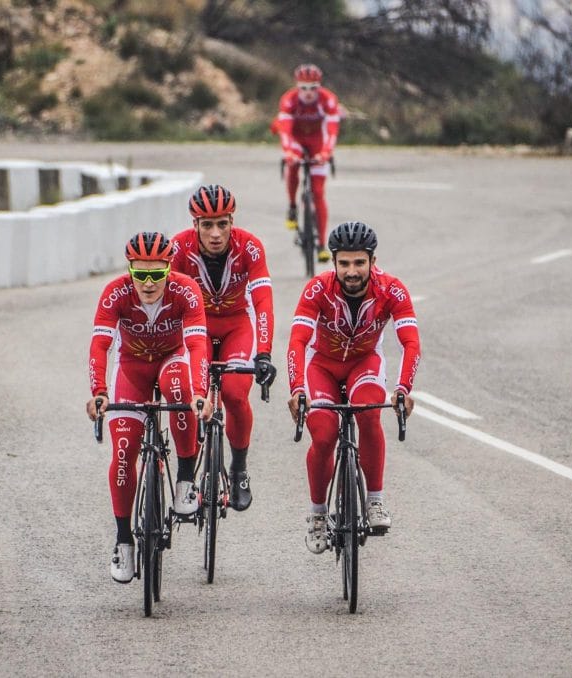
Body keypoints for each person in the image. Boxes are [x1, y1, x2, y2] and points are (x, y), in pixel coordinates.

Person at [86, 231, 214, 583]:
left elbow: (198, 346)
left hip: (173, 360)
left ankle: (186, 478)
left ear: (168, 269)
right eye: (139, 274)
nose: (147, 283)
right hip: (131, 368)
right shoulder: (115, 292)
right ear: (129, 270)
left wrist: (200, 393)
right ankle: (124, 540)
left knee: (178, 389)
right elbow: (100, 346)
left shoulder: (185, 289)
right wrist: (99, 391)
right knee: (125, 452)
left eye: (155, 274)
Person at [285, 221, 420, 554]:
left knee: (369, 414)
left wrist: (403, 388)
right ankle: (318, 514)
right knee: (325, 434)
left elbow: (411, 343)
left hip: (364, 363)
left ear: (372, 261)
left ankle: (374, 500)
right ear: (333, 262)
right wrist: (297, 388)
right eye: (344, 263)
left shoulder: (392, 290)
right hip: (322, 367)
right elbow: (298, 342)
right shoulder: (317, 289)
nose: (352, 270)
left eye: (359, 262)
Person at [170, 184, 277, 511]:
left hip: (236, 327)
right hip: (195, 328)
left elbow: (263, 303)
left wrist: (263, 354)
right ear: (195, 225)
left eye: (223, 224)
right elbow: (168, 300)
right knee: (184, 396)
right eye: (207, 225)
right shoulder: (178, 248)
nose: (216, 233)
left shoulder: (250, 247)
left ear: (232, 222)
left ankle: (239, 467)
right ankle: (185, 471)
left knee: (233, 392)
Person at [272, 63, 341, 263]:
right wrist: (288, 152)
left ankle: (321, 244)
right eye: (303, 88)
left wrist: (326, 153)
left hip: (318, 143)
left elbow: (332, 130)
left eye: (313, 88)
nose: (308, 93)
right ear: (297, 86)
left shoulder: (328, 100)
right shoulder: (289, 100)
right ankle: (293, 206)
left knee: (318, 193)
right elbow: (284, 130)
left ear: (319, 87)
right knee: (293, 165)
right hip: (296, 140)